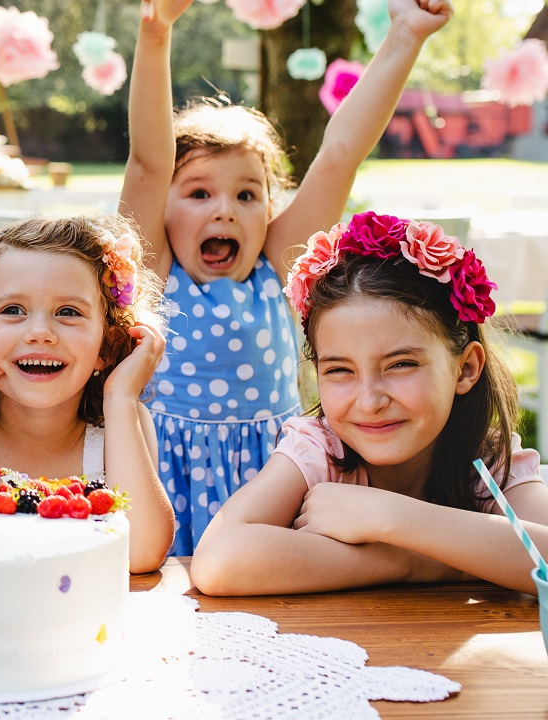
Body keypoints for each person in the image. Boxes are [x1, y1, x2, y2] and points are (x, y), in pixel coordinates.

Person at [121, 0, 453, 554]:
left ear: (269, 209)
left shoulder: (277, 266)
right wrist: (155, 34)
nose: (224, 210)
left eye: (247, 194)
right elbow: (149, 163)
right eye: (199, 192)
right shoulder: (152, 269)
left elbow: (340, 155)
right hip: (166, 478)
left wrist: (406, 37)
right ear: (165, 208)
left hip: (275, 483)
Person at [191, 215, 548, 595]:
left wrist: (389, 516)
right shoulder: (319, 451)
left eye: (401, 364)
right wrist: (417, 562)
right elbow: (219, 561)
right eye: (339, 371)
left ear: (465, 369)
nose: (369, 401)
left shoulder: (485, 458)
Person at [0, 215, 177, 573]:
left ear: (107, 345)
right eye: (13, 310)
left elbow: (140, 554)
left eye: (68, 312)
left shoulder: (122, 424)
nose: (40, 333)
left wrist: (122, 398)